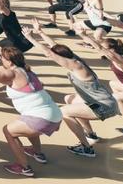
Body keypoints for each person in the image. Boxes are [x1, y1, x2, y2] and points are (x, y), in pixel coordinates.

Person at [24, 20, 117, 158]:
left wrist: (30, 38)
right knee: (70, 99)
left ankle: (86, 148)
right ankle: (91, 135)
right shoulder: (73, 58)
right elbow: (54, 47)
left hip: (104, 106)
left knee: (64, 112)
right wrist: (40, 32)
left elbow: (49, 52)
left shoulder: (75, 65)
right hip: (104, 101)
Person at [0, 45, 62, 177]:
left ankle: (24, 167)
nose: (1, 60)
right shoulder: (28, 71)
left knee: (8, 131)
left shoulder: (13, 73)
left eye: (2, 58)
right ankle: (38, 153)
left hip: (42, 118)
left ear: (10, 61)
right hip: (55, 115)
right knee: (25, 122)